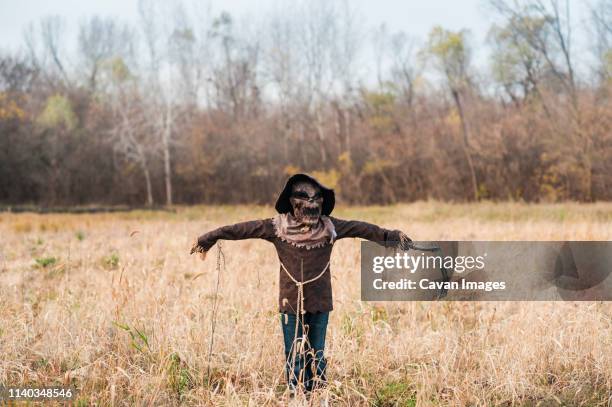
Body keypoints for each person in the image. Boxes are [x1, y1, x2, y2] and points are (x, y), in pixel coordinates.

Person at [190, 173, 411, 393]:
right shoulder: (276, 227)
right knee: (295, 354)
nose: (311, 203)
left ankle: (319, 393)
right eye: (305, 197)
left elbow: (363, 228)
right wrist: (207, 238)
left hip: (321, 301)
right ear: (292, 201)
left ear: (323, 201)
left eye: (316, 197)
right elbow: (240, 229)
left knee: (317, 353)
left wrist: (392, 236)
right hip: (290, 302)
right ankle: (297, 394)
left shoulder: (330, 227)